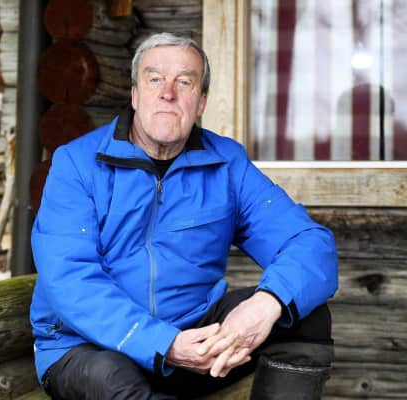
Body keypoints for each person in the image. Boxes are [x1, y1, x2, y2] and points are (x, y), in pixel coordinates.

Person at [30, 32, 338, 399]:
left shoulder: (226, 164)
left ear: (201, 101)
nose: (168, 93)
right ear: (134, 94)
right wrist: (164, 343)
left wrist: (266, 304)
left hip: (195, 339)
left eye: (185, 82)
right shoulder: (77, 164)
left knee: (304, 316)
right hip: (90, 347)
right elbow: (69, 278)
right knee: (111, 377)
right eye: (154, 79)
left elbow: (309, 243)